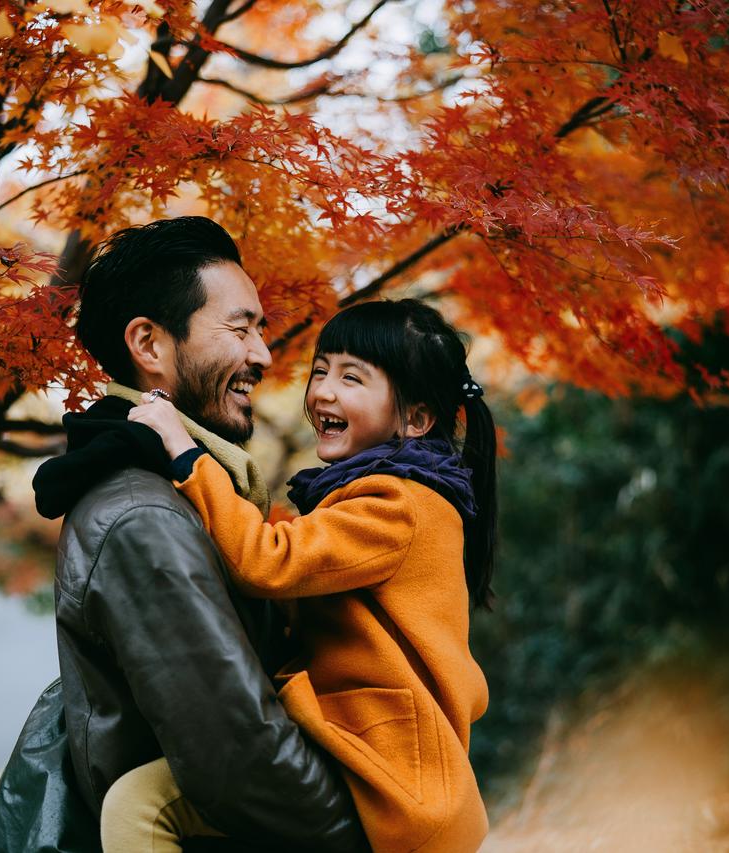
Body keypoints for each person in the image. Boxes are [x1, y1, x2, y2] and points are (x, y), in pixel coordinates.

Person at [0, 217, 366, 852]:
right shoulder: (143, 518)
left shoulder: (185, 494)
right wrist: (370, 833)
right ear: (149, 345)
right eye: (239, 329)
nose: (262, 355)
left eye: (260, 331)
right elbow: (241, 758)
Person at [114, 298, 497, 852]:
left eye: (352, 377)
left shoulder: (395, 503)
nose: (322, 392)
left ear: (414, 419)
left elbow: (268, 561)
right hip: (364, 759)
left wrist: (184, 451)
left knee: (140, 806)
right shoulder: (382, 495)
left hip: (383, 780)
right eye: (321, 370)